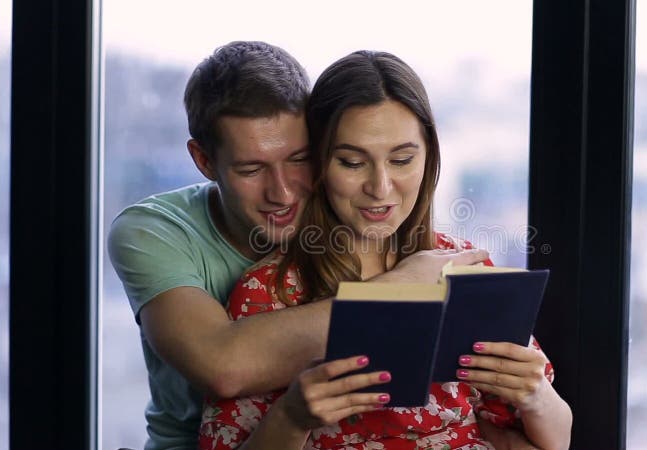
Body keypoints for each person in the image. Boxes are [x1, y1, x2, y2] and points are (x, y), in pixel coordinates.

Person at [107, 41, 490, 450]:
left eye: (299, 159)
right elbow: (225, 366)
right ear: (204, 161)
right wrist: (401, 290)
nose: (284, 193)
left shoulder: (353, 210)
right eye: (251, 169)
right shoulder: (152, 231)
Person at [198, 50, 572, 450]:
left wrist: (537, 395)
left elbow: (554, 438)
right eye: (352, 162)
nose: (380, 187)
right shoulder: (269, 289)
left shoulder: (462, 265)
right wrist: (292, 416)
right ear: (318, 164)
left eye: (402, 159)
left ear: (428, 157)